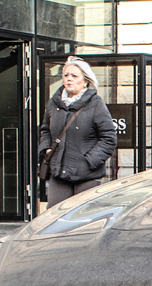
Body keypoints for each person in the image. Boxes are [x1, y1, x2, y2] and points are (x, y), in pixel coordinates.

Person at [37, 56, 117, 207]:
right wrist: (46, 150)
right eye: (66, 75)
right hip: (59, 173)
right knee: (54, 216)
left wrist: (88, 161)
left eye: (74, 76)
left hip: (87, 175)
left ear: (86, 81)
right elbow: (45, 130)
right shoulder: (54, 103)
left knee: (83, 219)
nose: (69, 79)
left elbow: (108, 138)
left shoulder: (96, 104)